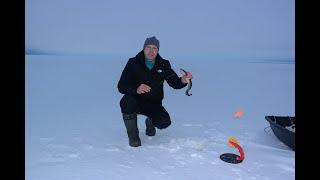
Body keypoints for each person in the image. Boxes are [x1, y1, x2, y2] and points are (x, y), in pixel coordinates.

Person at [117, 36, 193, 147]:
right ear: (143, 48)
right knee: (127, 102)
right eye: (148, 47)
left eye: (155, 48)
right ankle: (133, 137)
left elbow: (175, 83)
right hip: (135, 100)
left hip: (154, 102)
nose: (151, 51)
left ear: (158, 50)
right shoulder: (133, 63)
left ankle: (150, 121)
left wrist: (183, 80)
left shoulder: (164, 64)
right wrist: (136, 89)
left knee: (164, 122)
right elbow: (121, 86)